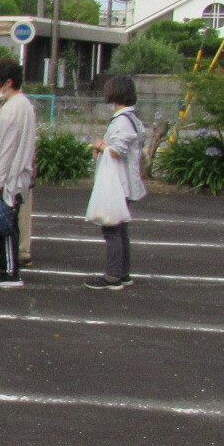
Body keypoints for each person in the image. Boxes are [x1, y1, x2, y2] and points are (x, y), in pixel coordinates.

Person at [86, 74, 147, 290]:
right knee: (120, 229)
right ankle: (122, 273)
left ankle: (113, 275)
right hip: (125, 182)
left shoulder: (122, 120)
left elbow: (117, 150)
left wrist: (100, 145)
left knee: (112, 228)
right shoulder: (132, 118)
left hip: (118, 183)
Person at [0, 59, 37, 288]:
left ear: (8, 82)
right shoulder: (24, 104)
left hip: (11, 177)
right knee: (11, 224)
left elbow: (6, 150)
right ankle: (8, 268)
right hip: (20, 174)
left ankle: (10, 272)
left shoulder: (10, 110)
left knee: (7, 226)